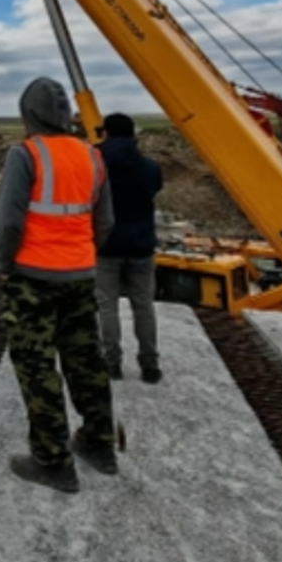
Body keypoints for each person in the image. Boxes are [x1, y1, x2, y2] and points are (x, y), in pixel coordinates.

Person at [0, 76, 117, 494]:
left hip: (32, 279)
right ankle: (100, 445)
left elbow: (9, 222)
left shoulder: (24, 154)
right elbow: (105, 222)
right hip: (81, 276)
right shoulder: (92, 156)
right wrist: (83, 254)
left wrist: (4, 264)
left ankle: (52, 461)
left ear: (28, 115)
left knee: (36, 366)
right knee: (87, 361)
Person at [96, 112, 164, 383]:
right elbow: (154, 189)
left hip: (107, 246)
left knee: (107, 306)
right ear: (133, 134)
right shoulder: (150, 167)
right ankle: (149, 364)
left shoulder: (97, 166)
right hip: (141, 246)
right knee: (144, 306)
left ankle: (112, 363)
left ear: (107, 133)